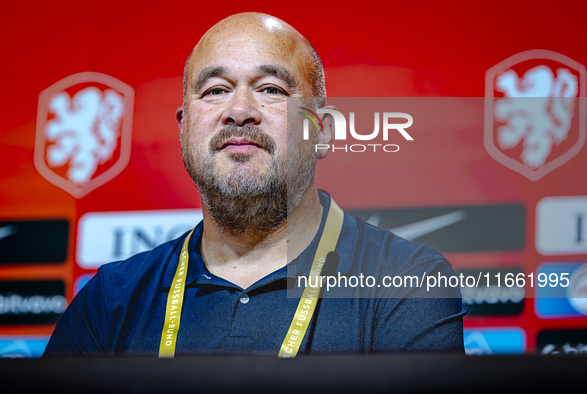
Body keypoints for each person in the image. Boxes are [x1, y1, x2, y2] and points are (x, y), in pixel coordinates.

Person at [43, 12, 466, 357]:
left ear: (323, 132)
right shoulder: (110, 299)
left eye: (270, 89)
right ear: (184, 127)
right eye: (214, 91)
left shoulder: (405, 281)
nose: (239, 110)